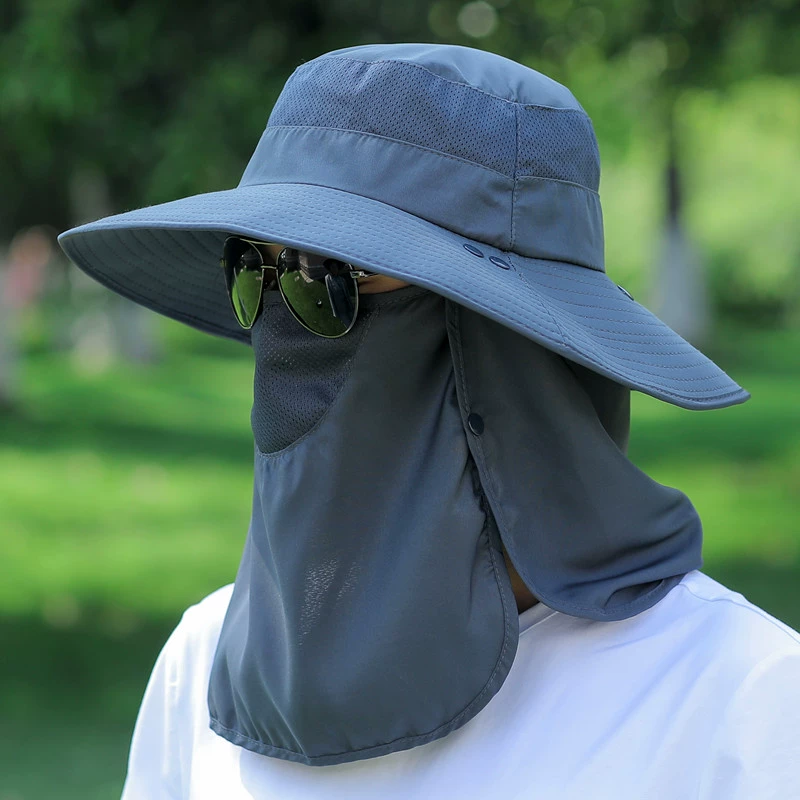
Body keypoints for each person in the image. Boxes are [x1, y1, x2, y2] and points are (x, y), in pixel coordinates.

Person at [58, 43, 799, 799]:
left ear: (509, 344)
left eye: (326, 275)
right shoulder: (203, 665)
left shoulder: (734, 700)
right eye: (253, 269)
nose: (281, 324)